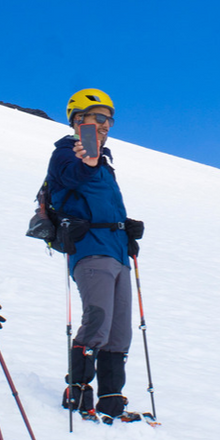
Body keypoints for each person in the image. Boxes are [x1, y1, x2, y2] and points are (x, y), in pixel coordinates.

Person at [47, 88, 141, 422]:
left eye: (108, 120)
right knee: (97, 321)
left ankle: (112, 400)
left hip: (115, 250)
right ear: (77, 120)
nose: (104, 125)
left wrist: (126, 229)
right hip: (90, 250)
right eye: (98, 118)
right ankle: (78, 391)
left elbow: (104, 201)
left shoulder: (104, 162)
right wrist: (86, 161)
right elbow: (70, 177)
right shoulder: (65, 154)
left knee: (120, 331)